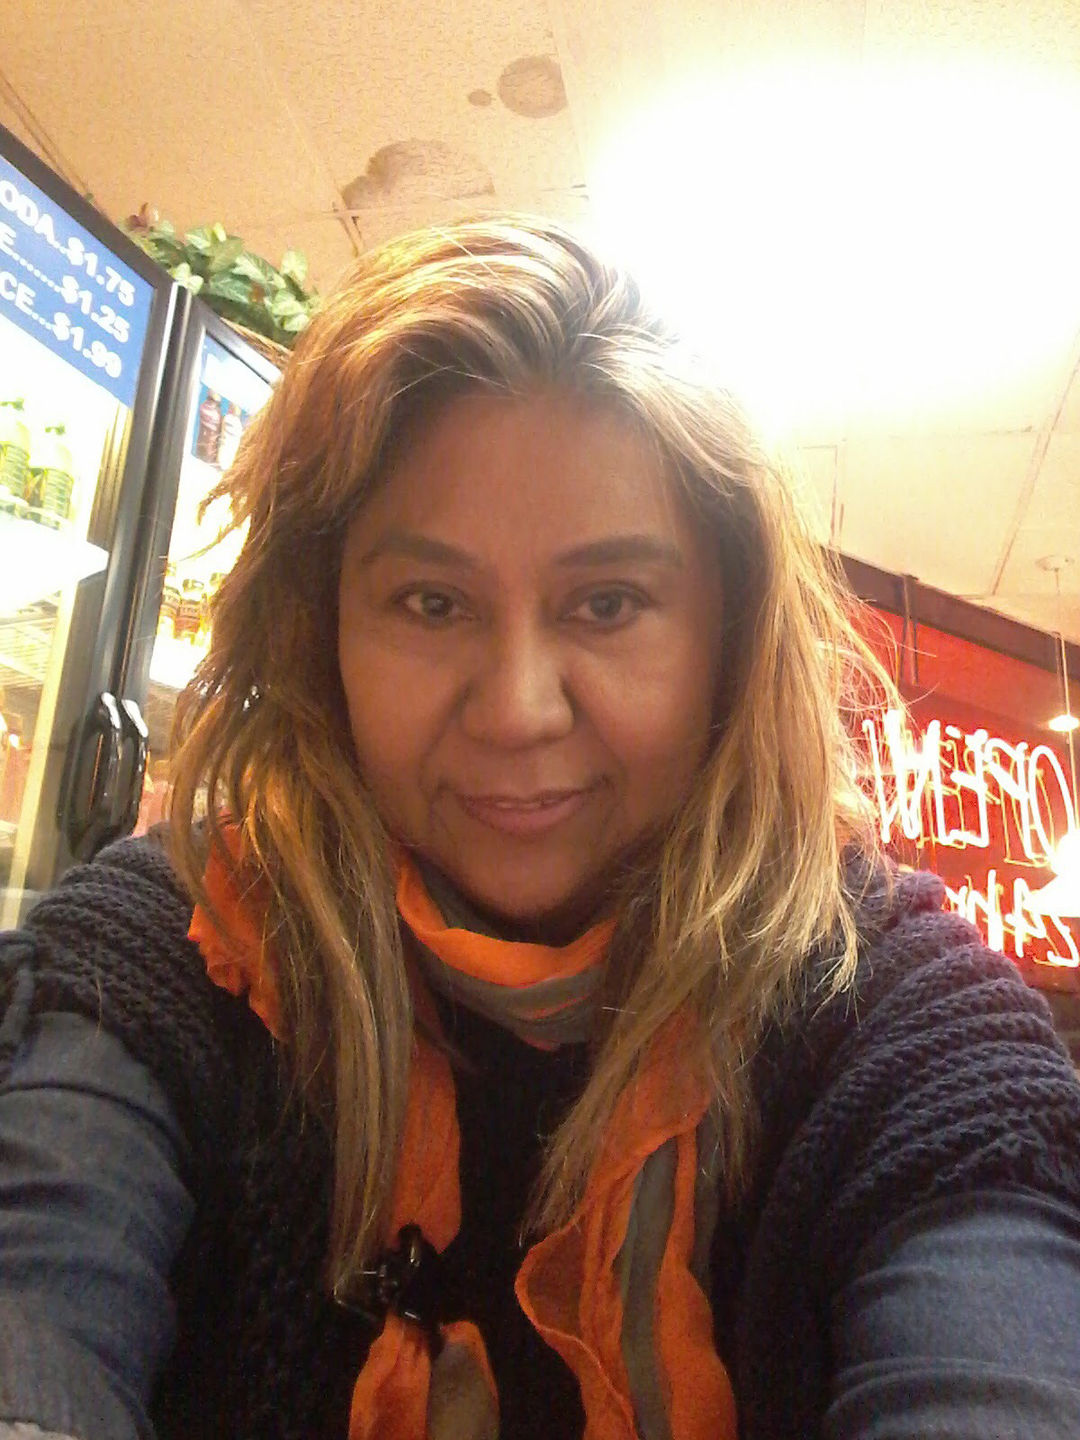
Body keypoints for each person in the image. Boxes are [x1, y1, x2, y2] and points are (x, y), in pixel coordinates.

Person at [1, 218, 1080, 1440]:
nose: (518, 711)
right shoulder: (178, 942)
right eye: (431, 602)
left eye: (607, 603)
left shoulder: (893, 1007)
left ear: (727, 643)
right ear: (321, 631)